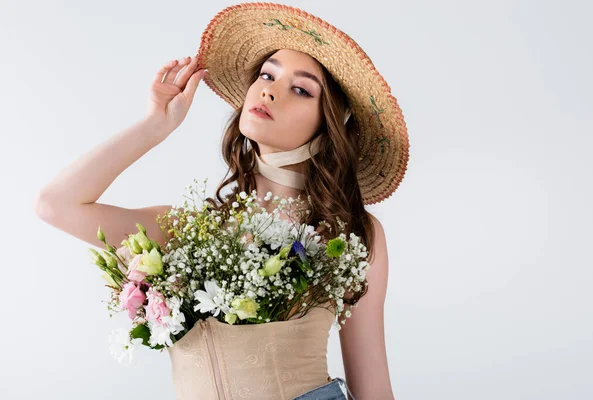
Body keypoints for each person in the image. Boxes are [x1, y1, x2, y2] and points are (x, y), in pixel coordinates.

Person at [34, 3, 409, 399]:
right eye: (267, 74)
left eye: (300, 89)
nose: (268, 90)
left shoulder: (350, 234)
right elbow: (55, 205)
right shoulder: (188, 230)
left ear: (328, 123)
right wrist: (154, 126)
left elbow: (372, 387)